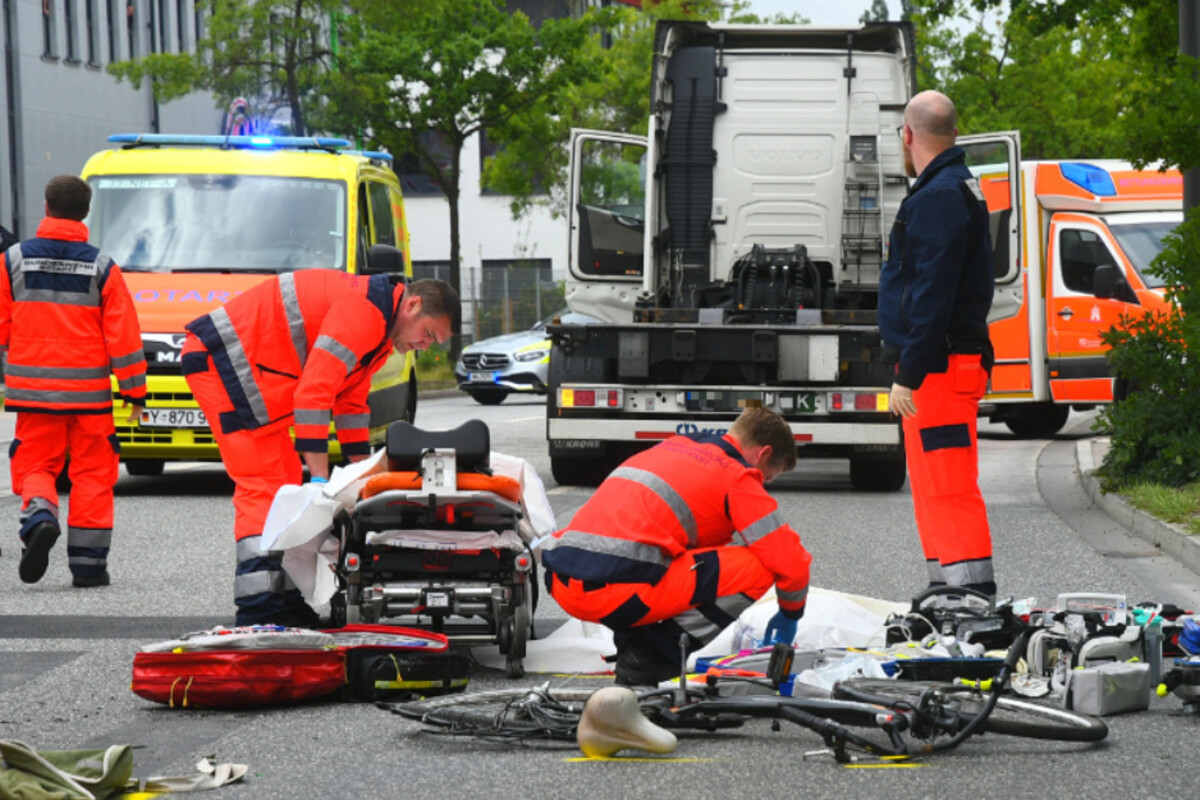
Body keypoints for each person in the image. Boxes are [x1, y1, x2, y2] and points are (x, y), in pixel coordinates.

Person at [182, 272, 460, 627]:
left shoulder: (380, 328)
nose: (425, 346)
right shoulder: (364, 314)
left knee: (283, 483)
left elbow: (350, 403)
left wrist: (364, 475)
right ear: (412, 304)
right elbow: (313, 394)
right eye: (428, 334)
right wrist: (319, 479)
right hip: (223, 364)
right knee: (265, 485)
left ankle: (283, 599)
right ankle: (260, 609)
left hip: (245, 369)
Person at [540, 406, 812, 686]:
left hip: (564, 581)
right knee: (758, 567)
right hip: (617, 594)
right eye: (768, 476)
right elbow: (791, 561)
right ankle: (649, 657)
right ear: (763, 453)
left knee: (688, 558)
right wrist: (790, 614)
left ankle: (635, 646)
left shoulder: (672, 447)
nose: (763, 483)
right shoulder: (737, 476)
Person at [0, 175, 147, 587]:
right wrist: (135, 392)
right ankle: (88, 566)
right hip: (90, 396)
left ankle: (40, 515)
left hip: (34, 392)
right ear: (86, 213)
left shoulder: (13, 261)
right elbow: (123, 337)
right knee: (94, 475)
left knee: (35, 464)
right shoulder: (103, 266)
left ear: (45, 207)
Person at [879, 90, 996, 597]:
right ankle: (948, 593)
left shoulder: (938, 196)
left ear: (908, 135)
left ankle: (972, 596)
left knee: (946, 487)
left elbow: (932, 292)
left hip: (941, 366)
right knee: (933, 487)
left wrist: (910, 369)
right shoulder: (957, 187)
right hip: (944, 362)